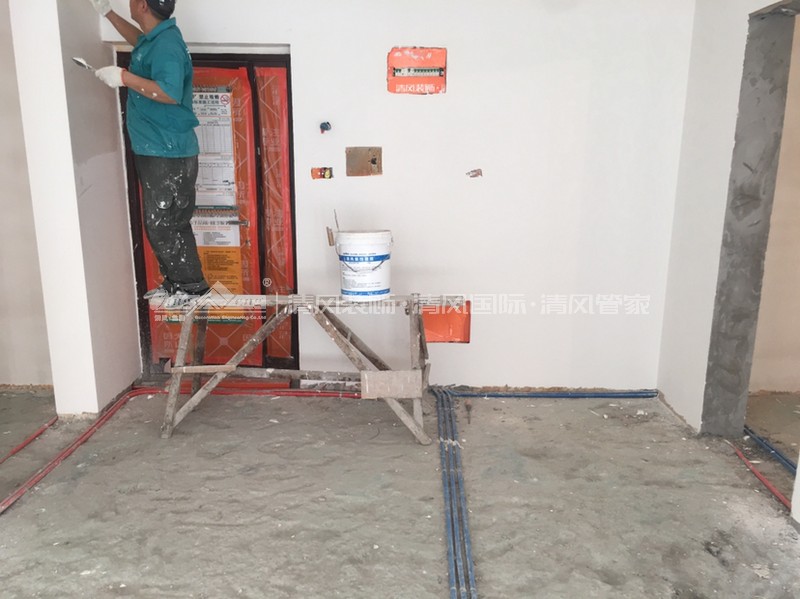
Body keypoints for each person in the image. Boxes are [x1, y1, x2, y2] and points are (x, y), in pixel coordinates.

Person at [90, 0, 209, 299]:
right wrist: (108, 14)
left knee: (163, 225)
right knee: (168, 224)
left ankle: (191, 289)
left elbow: (169, 92)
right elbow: (139, 41)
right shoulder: (157, 38)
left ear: (142, 5)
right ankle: (179, 285)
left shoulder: (166, 44)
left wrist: (123, 77)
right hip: (161, 148)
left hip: (166, 151)